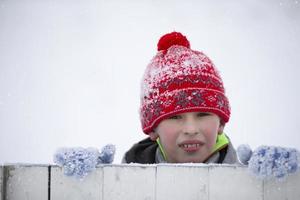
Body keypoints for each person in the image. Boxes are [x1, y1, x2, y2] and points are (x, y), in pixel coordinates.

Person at [123, 31, 237, 164]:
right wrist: (95, 180)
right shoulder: (124, 179)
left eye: (202, 114)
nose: (191, 129)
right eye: (174, 117)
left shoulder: (248, 180)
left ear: (221, 124)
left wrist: (262, 182)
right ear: (153, 129)